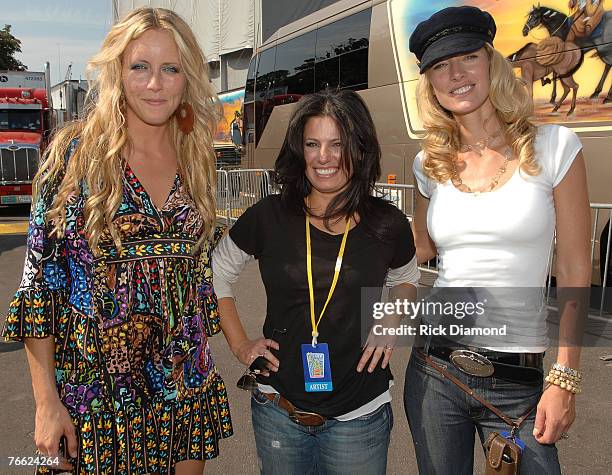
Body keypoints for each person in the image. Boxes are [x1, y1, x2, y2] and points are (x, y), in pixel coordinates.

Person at [2, 7, 232, 475]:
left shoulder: (198, 159)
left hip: (182, 394)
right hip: (93, 404)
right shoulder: (74, 155)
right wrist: (47, 403)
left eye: (170, 69)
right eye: (140, 67)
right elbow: (39, 284)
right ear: (117, 73)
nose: (155, 83)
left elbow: (198, 281)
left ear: (187, 78)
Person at [405, 6, 591, 474]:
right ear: (430, 83)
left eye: (467, 57)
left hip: (518, 377)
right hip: (435, 368)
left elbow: (572, 267)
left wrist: (565, 376)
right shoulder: (429, 161)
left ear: (492, 62)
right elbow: (419, 248)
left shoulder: (556, 147)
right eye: (440, 66)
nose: (456, 74)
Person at [212, 89, 419, 474]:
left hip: (360, 417)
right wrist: (240, 344)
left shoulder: (386, 223)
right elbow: (218, 272)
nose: (323, 157)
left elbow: (407, 278)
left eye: (336, 144)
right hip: (279, 410)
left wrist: (393, 316)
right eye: (312, 144)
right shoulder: (269, 216)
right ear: (299, 150)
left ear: (359, 149)